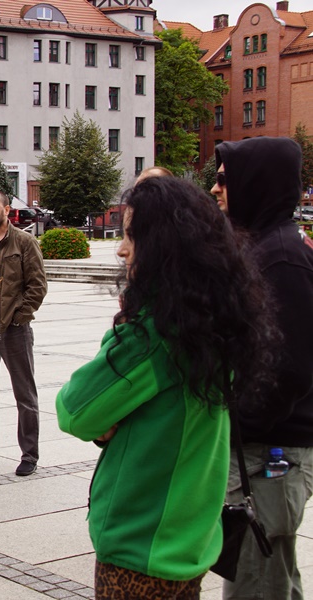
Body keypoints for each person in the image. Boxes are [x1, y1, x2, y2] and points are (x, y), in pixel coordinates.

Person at [57, 176, 278, 599]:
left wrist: (121, 335)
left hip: (142, 543)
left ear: (164, 246)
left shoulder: (153, 334)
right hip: (191, 537)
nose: (121, 249)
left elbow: (75, 410)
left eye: (131, 236)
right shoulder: (218, 320)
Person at [211, 137, 313, 600]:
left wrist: (240, 424)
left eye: (224, 179)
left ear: (255, 183)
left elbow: (289, 369)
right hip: (262, 447)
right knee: (270, 580)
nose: (215, 189)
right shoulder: (264, 247)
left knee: (256, 584)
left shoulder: (283, 258)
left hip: (271, 451)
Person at [0, 190, 47, 476]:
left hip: (13, 331)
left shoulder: (24, 242)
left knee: (24, 394)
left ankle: (29, 454)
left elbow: (38, 285)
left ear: (6, 208)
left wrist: (18, 317)